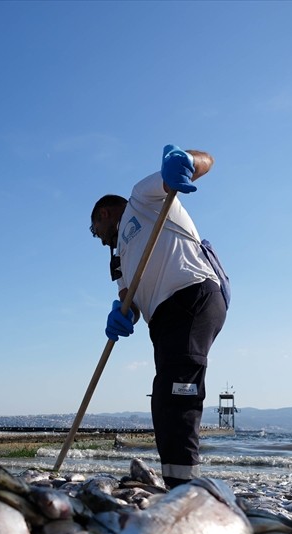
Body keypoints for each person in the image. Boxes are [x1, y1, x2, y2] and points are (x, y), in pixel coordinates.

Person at [89, 145, 226, 488]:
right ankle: (178, 486)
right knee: (166, 398)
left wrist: (188, 162)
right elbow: (129, 302)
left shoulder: (141, 200)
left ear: (105, 213)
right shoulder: (118, 259)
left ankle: (186, 494)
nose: (97, 237)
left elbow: (205, 161)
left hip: (193, 295)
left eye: (95, 229)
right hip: (164, 321)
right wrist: (122, 315)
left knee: (177, 394)